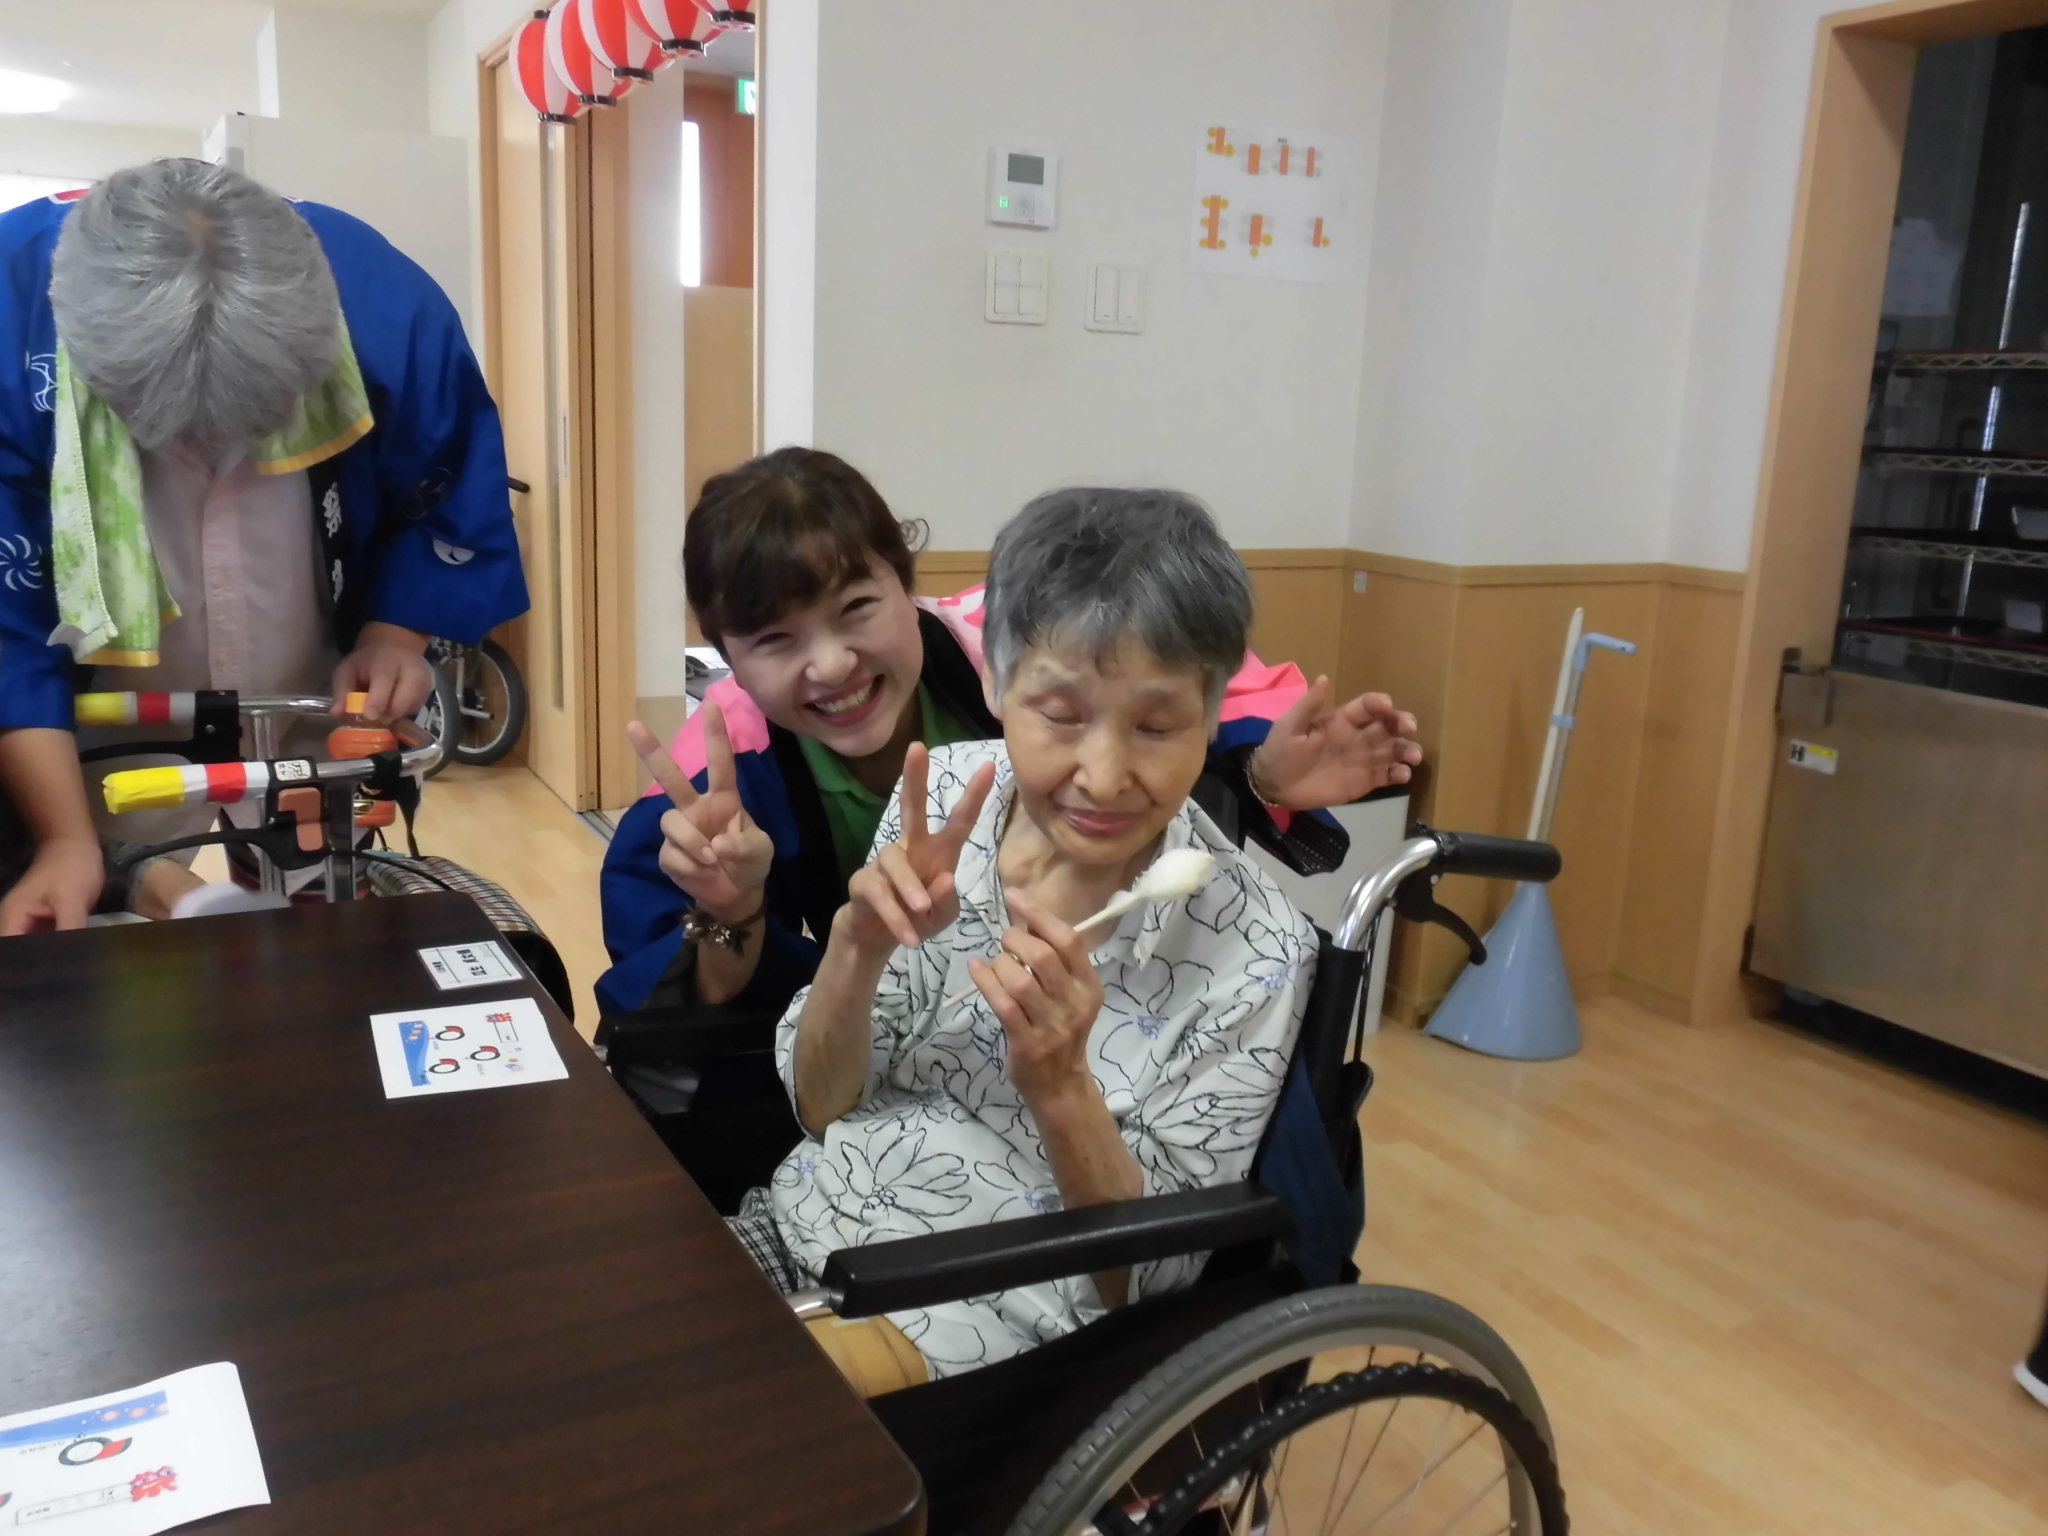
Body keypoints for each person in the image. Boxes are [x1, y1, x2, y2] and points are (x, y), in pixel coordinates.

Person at [597, 448, 1420, 1204]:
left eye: (856, 608)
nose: (834, 664)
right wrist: (745, 916)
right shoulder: (727, 774)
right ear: (727, 658)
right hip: (847, 1119)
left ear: (908, 588)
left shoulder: (1019, 637)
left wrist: (1262, 776)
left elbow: (1182, 686)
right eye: (775, 639)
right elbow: (777, 1072)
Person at [711, 486, 1318, 1390]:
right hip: (799, 1224)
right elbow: (822, 1109)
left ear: (1212, 711)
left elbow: (1142, 1282)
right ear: (994, 684)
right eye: (1062, 715)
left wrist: (1062, 1086)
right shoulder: (945, 798)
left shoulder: (1255, 948)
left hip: (980, 1321)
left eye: (1157, 725)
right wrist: (855, 950)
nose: (1104, 776)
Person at [0, 160, 526, 932]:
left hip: (314, 685)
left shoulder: (386, 308)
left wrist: (393, 637)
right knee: (111, 914)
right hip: (92, 708)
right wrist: (63, 838)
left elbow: (444, 487)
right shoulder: (11, 318)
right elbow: (5, 625)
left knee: (317, 912)